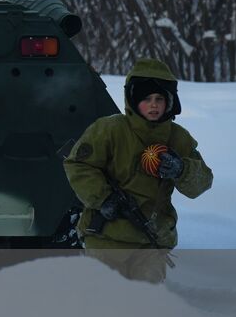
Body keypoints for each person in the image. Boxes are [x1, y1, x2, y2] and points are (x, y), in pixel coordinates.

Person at [64, 57, 212, 260]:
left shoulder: (178, 138)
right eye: (146, 99)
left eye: (159, 99)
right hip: (105, 238)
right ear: (133, 100)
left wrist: (181, 169)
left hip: (153, 242)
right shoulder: (109, 130)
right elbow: (78, 165)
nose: (153, 105)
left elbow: (203, 182)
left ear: (170, 101)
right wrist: (103, 198)